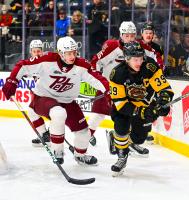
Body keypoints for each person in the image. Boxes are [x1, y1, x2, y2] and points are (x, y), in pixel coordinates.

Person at [2, 36, 110, 165]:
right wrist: (12, 81)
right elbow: (23, 65)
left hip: (68, 101)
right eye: (68, 53)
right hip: (43, 98)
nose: (72, 56)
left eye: (74, 52)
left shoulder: (82, 65)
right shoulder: (47, 60)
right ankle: (57, 152)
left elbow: (97, 79)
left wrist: (108, 91)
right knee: (58, 113)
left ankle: (80, 154)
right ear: (60, 53)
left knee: (84, 132)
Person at [109, 41, 174, 176]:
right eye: (135, 59)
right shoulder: (117, 73)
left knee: (139, 139)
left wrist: (164, 100)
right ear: (127, 58)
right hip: (125, 107)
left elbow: (164, 87)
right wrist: (141, 112)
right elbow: (120, 104)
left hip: (144, 105)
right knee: (121, 127)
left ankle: (118, 138)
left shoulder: (150, 67)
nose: (139, 62)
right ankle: (122, 157)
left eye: (140, 58)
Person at [88, 21, 137, 145]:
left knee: (128, 115)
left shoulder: (137, 48)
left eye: (132, 35)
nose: (130, 38)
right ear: (121, 35)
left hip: (126, 88)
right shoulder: (111, 46)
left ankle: (127, 141)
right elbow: (95, 62)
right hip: (108, 86)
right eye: (127, 35)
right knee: (99, 114)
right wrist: (100, 81)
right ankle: (85, 137)